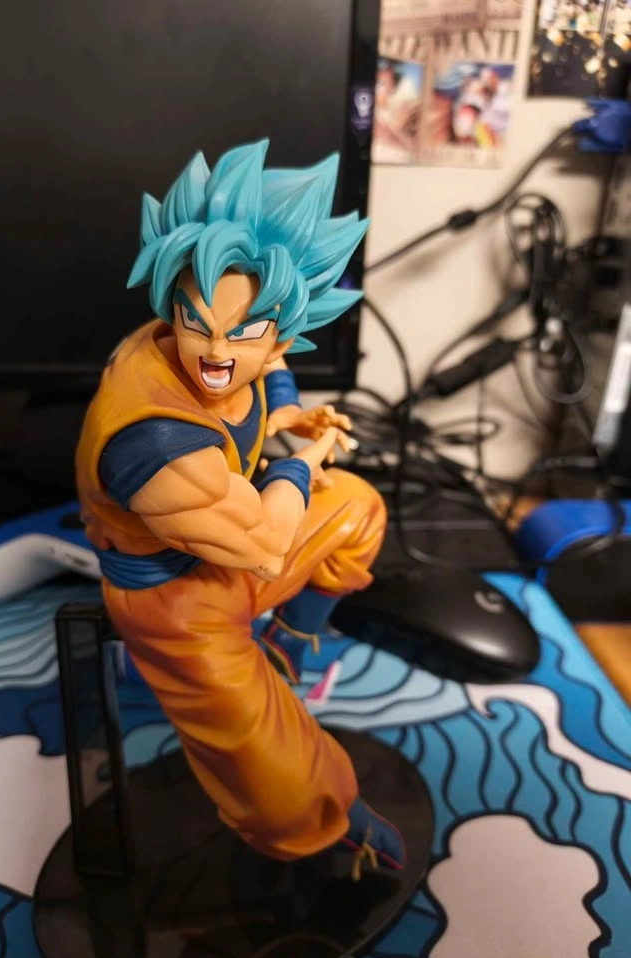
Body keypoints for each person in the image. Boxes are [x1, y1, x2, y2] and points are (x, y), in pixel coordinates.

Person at [75, 141, 406, 877]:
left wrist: (291, 416)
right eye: (197, 324)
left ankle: (286, 646)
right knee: (282, 792)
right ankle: (321, 830)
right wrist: (304, 459)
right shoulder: (153, 441)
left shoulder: (217, 337)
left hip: (231, 538)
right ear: (173, 307)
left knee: (359, 510)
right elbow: (263, 545)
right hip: (175, 603)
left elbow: (263, 366)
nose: (215, 351)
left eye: (246, 329)